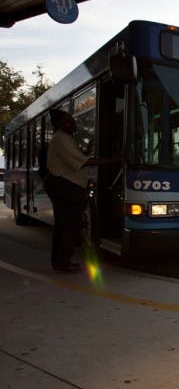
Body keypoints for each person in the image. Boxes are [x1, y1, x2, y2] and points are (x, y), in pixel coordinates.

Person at [43, 109, 116, 272]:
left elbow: (76, 158)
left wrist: (87, 151)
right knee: (70, 225)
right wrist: (115, 160)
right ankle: (63, 262)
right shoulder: (62, 138)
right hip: (65, 186)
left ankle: (60, 261)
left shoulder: (65, 138)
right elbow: (83, 162)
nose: (73, 123)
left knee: (63, 225)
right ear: (59, 124)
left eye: (72, 120)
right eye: (68, 121)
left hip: (64, 185)